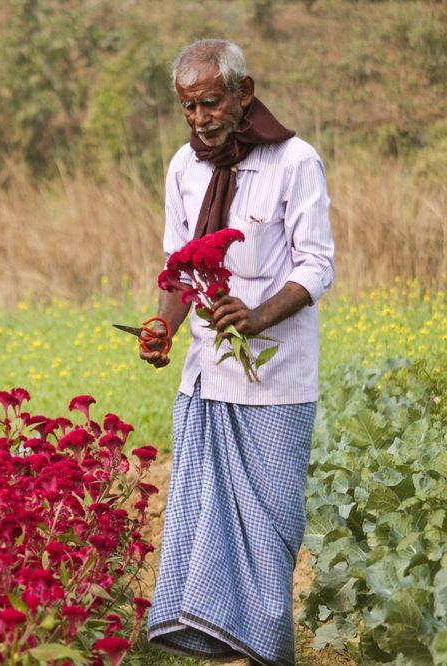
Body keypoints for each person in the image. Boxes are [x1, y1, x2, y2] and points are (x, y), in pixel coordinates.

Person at [138, 40, 335, 665]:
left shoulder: (294, 161)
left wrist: (257, 317)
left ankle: (269, 653)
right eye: (188, 107)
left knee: (273, 527)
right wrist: (164, 327)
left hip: (278, 381)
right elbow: (178, 268)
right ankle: (214, 637)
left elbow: (318, 264)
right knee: (205, 525)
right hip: (207, 374)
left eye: (211, 102)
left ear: (244, 93)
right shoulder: (183, 168)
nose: (200, 118)